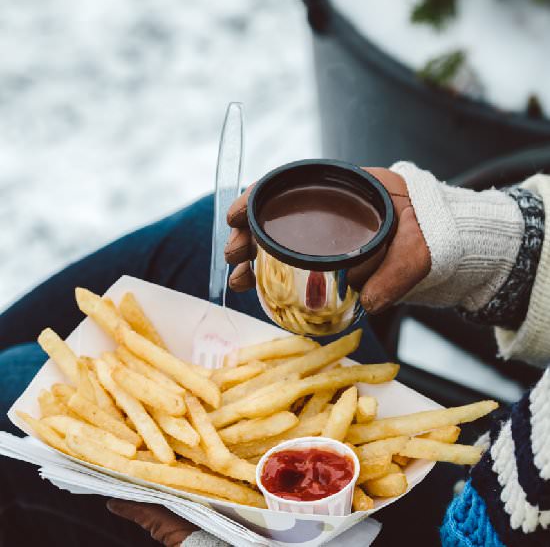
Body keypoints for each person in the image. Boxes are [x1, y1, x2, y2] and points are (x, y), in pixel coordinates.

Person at [0, 162, 548, 546]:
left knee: (13, 383)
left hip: (449, 527)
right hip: (497, 466)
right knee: (212, 229)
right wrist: (486, 242)